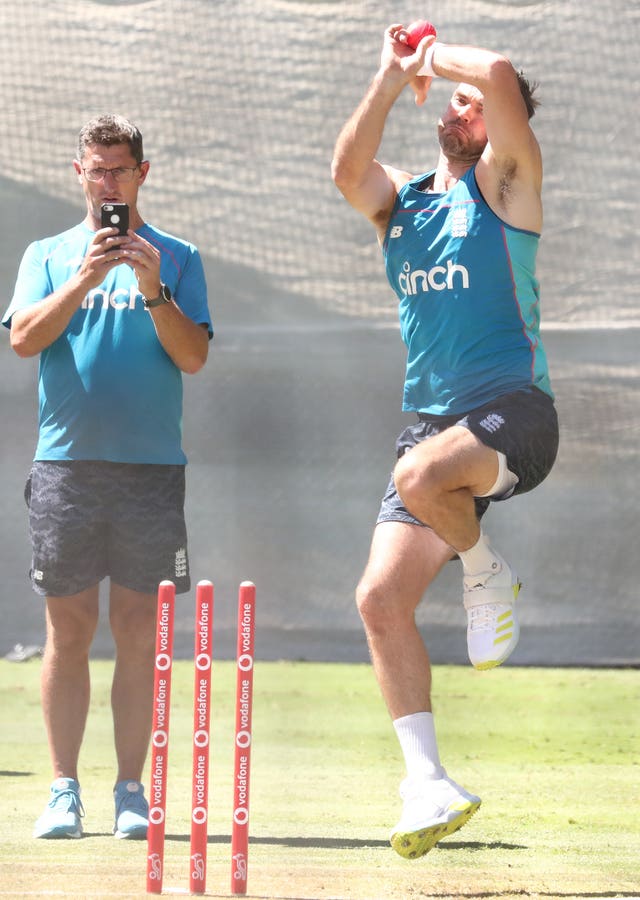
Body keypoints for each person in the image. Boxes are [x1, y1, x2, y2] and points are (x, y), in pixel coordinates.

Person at [331, 25, 559, 858]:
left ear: (500, 127)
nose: (462, 107)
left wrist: (431, 56)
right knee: (377, 600)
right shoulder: (406, 201)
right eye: (453, 102)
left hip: (516, 412)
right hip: (430, 430)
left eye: (476, 106)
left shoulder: (508, 183)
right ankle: (426, 782)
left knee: (421, 471)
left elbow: (495, 70)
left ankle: (483, 569)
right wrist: (392, 76)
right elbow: (348, 172)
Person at [2, 114, 212, 840]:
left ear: (142, 174)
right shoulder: (49, 253)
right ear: (79, 173)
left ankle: (131, 790)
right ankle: (63, 789)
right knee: (68, 629)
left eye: (121, 170)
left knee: (137, 629)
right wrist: (87, 276)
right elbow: (24, 339)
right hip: (66, 467)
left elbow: (193, 358)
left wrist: (152, 288)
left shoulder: (178, 256)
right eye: (97, 170)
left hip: (151, 472)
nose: (109, 182)